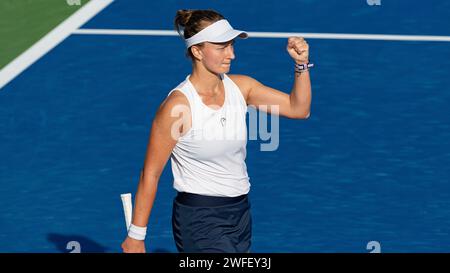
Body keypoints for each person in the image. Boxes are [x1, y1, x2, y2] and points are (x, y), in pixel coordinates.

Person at [121, 9, 312, 253]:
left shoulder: (242, 88)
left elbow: (299, 109)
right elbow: (151, 173)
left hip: (240, 214)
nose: (231, 54)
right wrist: (136, 236)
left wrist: (301, 64)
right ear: (197, 51)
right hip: (199, 219)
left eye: (231, 45)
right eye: (221, 47)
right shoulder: (178, 106)